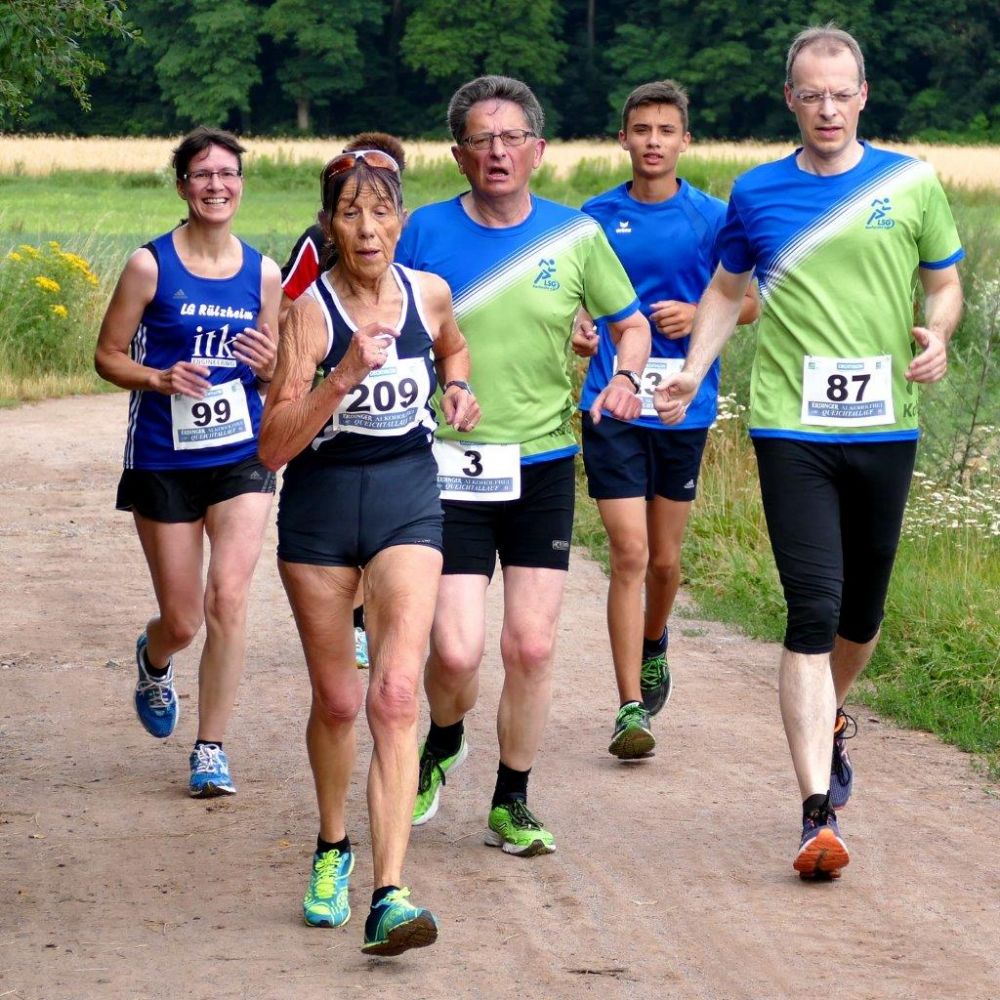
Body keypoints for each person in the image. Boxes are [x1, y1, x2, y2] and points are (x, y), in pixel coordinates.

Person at [656, 25, 964, 879]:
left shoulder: (910, 182)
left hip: (886, 425)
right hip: (791, 427)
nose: (827, 108)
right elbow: (727, 290)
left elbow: (944, 282)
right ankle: (815, 812)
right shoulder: (757, 192)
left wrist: (939, 334)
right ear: (789, 99)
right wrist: (692, 371)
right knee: (812, 608)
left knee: (861, 616)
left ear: (863, 96)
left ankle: (828, 712)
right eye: (811, 94)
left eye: (841, 93)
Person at [396, 75, 650, 856]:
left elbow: (632, 325)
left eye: (511, 139)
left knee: (531, 646)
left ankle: (512, 801)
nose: (497, 152)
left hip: (541, 464)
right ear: (458, 155)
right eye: (481, 140)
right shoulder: (423, 232)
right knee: (455, 651)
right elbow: (383, 322)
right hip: (449, 464)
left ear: (537, 151)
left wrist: (625, 376)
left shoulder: (575, 235)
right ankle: (445, 737)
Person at [258, 138, 479, 954]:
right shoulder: (310, 314)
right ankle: (332, 847)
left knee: (392, 696)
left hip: (405, 502)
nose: (367, 228)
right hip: (319, 514)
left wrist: (458, 385)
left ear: (401, 220)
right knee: (338, 702)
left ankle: (390, 893)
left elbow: (452, 344)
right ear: (330, 227)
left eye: (381, 212)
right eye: (351, 214)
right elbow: (274, 446)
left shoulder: (430, 294)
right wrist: (344, 372)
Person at [572, 81, 759, 760]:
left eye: (665, 130)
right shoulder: (594, 216)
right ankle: (628, 706)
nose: (653, 141)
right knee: (629, 553)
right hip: (614, 400)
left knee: (665, 561)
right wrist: (580, 327)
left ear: (685, 140)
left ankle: (655, 641)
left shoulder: (713, 216)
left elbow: (749, 301)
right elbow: (576, 295)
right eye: (642, 129)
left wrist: (698, 313)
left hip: (683, 403)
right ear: (623, 137)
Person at [94, 126, 281, 798]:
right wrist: (159, 378)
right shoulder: (149, 266)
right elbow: (107, 356)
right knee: (183, 619)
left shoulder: (263, 273)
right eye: (202, 174)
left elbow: (273, 376)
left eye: (227, 173)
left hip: (241, 456)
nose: (216, 185)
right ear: (182, 186)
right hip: (163, 458)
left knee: (227, 596)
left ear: (241, 185)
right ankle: (154, 658)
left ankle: (211, 748)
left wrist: (270, 367)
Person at [279, 133, 408, 670]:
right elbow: (286, 302)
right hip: (323, 386)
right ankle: (353, 619)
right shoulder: (318, 242)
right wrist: (317, 360)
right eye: (352, 206)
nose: (368, 222)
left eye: (385, 194)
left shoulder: (406, 245)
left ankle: (369, 617)